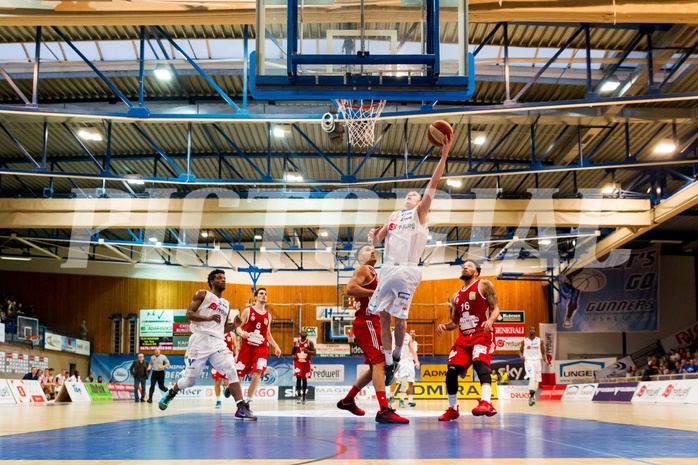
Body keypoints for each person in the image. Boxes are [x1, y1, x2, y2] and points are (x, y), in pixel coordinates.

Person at [367, 133, 453, 385]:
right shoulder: (393, 215)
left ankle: (396, 352)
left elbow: (433, 183)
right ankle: (389, 360)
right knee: (382, 316)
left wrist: (444, 153)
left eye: (415, 194)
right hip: (387, 269)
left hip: (407, 271)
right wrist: (373, 236)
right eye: (409, 193)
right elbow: (376, 242)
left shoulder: (419, 213)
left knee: (400, 319)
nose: (411, 194)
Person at [159, 269, 255, 420]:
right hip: (200, 340)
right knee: (190, 381)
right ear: (211, 281)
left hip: (217, 341)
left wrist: (234, 326)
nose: (223, 280)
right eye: (219, 278)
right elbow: (189, 314)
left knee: (231, 368)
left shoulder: (226, 304)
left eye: (224, 278)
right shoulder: (203, 294)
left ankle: (241, 407)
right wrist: (208, 317)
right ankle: (172, 391)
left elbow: (220, 328)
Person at [337, 244, 408, 423]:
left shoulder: (377, 273)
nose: (373, 250)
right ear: (360, 257)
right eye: (368, 249)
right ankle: (384, 409)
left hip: (374, 322)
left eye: (373, 248)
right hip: (367, 321)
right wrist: (378, 294)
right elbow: (350, 289)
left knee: (374, 366)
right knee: (379, 362)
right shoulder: (363, 268)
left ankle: (348, 400)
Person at [436, 259, 500, 420]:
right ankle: (452, 408)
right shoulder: (456, 296)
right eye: (463, 265)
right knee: (451, 372)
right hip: (464, 339)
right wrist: (444, 326)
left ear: (476, 272)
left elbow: (496, 308)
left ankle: (486, 402)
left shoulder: (483, 285)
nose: (465, 267)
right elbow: (455, 323)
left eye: (469, 265)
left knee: (480, 364)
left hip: (482, 334)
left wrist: (491, 320)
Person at [227, 288, 282, 406]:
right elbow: (238, 327)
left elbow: (267, 334)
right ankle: (230, 388)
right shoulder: (248, 311)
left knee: (257, 373)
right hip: (247, 348)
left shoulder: (268, 316)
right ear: (255, 297)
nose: (264, 296)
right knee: (239, 376)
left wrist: (276, 346)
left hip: (261, 349)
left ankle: (247, 402)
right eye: (261, 294)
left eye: (266, 294)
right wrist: (242, 334)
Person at [389, 328, 420, 408]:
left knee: (405, 379)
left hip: (406, 361)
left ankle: (402, 400)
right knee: (394, 380)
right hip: (394, 359)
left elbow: (413, 350)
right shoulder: (392, 334)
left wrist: (416, 361)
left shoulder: (408, 337)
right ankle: (390, 396)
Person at [520, 325, 550, 406]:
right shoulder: (524, 341)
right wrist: (521, 356)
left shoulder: (540, 341)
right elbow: (520, 351)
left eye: (533, 329)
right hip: (528, 361)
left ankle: (533, 396)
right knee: (532, 377)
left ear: (535, 330)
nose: (532, 330)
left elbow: (543, 352)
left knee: (537, 379)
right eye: (530, 329)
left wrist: (546, 360)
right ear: (529, 330)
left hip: (537, 361)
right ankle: (531, 396)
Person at [212, 329, 238, 409]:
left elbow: (235, 346)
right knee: (217, 381)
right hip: (216, 359)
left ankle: (225, 388)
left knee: (227, 383)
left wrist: (236, 356)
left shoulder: (232, 334)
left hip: (228, 360)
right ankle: (218, 400)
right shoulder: (215, 332)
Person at [292, 330, 316, 404]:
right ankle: (298, 396)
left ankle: (304, 396)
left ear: (306, 334)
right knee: (298, 378)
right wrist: (293, 355)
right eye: (302, 332)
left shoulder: (310, 342)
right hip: (298, 362)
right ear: (300, 334)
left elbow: (314, 353)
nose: (304, 333)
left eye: (305, 332)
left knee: (304, 379)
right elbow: (293, 350)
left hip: (306, 363)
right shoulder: (296, 342)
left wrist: (307, 351)